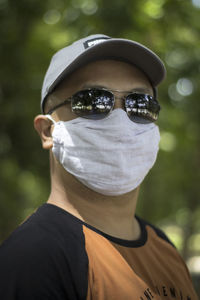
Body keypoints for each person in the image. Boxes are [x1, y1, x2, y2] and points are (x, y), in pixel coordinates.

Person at [0, 34, 198, 300]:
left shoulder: (162, 245)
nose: (120, 120)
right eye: (92, 101)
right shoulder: (33, 257)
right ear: (47, 131)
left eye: (140, 104)